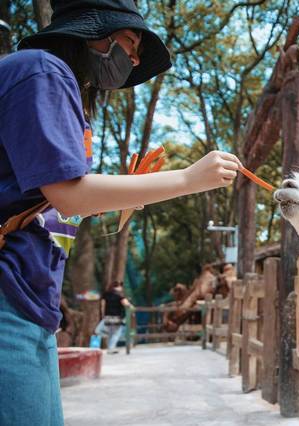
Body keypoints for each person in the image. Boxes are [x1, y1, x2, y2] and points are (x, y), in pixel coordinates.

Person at [0, 1, 241, 425]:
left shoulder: (61, 90)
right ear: (92, 32)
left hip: (29, 298)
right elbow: (69, 195)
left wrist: (119, 197)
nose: (132, 60)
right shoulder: (42, 71)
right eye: (130, 43)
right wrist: (188, 179)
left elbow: (52, 201)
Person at [95, 281, 132, 354]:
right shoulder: (120, 296)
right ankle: (111, 348)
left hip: (107, 317)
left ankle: (109, 347)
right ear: (116, 287)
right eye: (120, 286)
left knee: (103, 332)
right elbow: (127, 304)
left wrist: (103, 315)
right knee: (116, 333)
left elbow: (103, 305)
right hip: (117, 317)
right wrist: (130, 305)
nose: (121, 288)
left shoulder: (106, 295)